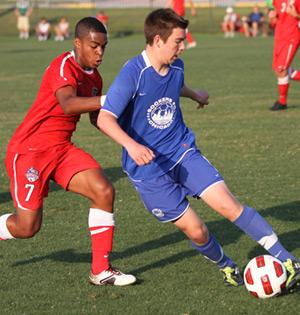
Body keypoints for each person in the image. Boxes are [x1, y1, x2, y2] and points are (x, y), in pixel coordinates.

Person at [97, 8, 300, 290]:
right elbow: (105, 118)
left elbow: (174, 84)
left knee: (229, 205)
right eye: (177, 41)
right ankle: (228, 267)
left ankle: (289, 261)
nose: (182, 47)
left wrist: (194, 94)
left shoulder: (176, 66)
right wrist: (131, 145)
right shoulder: (133, 73)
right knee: (197, 229)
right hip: (148, 169)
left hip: (181, 151)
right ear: (157, 40)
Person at [0, 17, 136, 287]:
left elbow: (97, 118)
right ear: (78, 43)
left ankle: (101, 270)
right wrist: (111, 98)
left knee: (103, 190)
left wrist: (132, 136)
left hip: (61, 150)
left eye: (103, 47)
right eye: (94, 46)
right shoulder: (64, 65)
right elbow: (68, 104)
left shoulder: (95, 78)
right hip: (30, 151)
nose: (100, 53)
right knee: (27, 228)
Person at [270, 0, 300, 110]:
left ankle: (282, 102)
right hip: (279, 37)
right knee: (279, 69)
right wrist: (274, 16)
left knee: (281, 69)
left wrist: (296, 15)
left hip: (291, 37)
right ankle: (282, 102)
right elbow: (279, 15)